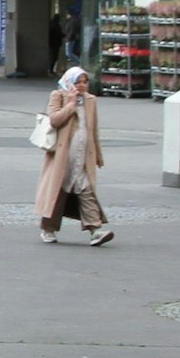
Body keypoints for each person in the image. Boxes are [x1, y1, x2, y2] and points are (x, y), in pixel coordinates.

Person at [35, 67, 112, 246]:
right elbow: (54, 119)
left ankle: (95, 230)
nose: (82, 85)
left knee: (86, 189)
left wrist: (98, 155)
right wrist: (71, 104)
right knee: (58, 190)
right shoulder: (58, 95)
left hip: (83, 154)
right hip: (62, 155)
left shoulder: (90, 100)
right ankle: (48, 228)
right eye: (78, 82)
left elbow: (93, 130)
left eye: (85, 82)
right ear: (70, 82)